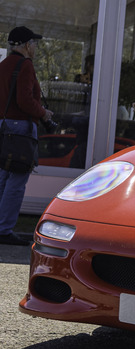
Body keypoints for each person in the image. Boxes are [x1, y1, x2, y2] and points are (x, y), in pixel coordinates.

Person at [0, 26, 53, 246]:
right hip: (20, 129)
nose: (36, 47)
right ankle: (4, 229)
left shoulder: (3, 65)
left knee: (2, 178)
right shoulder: (25, 66)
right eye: (34, 43)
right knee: (17, 181)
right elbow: (24, 100)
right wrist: (44, 113)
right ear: (26, 45)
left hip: (3, 126)